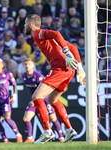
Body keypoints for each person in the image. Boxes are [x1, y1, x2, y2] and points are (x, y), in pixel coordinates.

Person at [24, 14, 85, 143]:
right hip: (69, 70)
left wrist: (67, 54)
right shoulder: (46, 37)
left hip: (60, 68)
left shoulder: (37, 33)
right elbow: (73, 47)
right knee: (52, 99)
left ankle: (47, 132)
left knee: (36, 97)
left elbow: (57, 33)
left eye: (25, 23)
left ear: (30, 24)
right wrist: (80, 68)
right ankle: (69, 130)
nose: (24, 25)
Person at [22, 58, 64, 143]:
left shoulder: (38, 76)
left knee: (52, 118)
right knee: (26, 118)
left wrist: (36, 99)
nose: (27, 66)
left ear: (33, 65)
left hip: (44, 98)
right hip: (34, 100)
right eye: (25, 64)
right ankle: (30, 138)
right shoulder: (24, 76)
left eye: (29, 64)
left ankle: (61, 137)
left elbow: (45, 89)